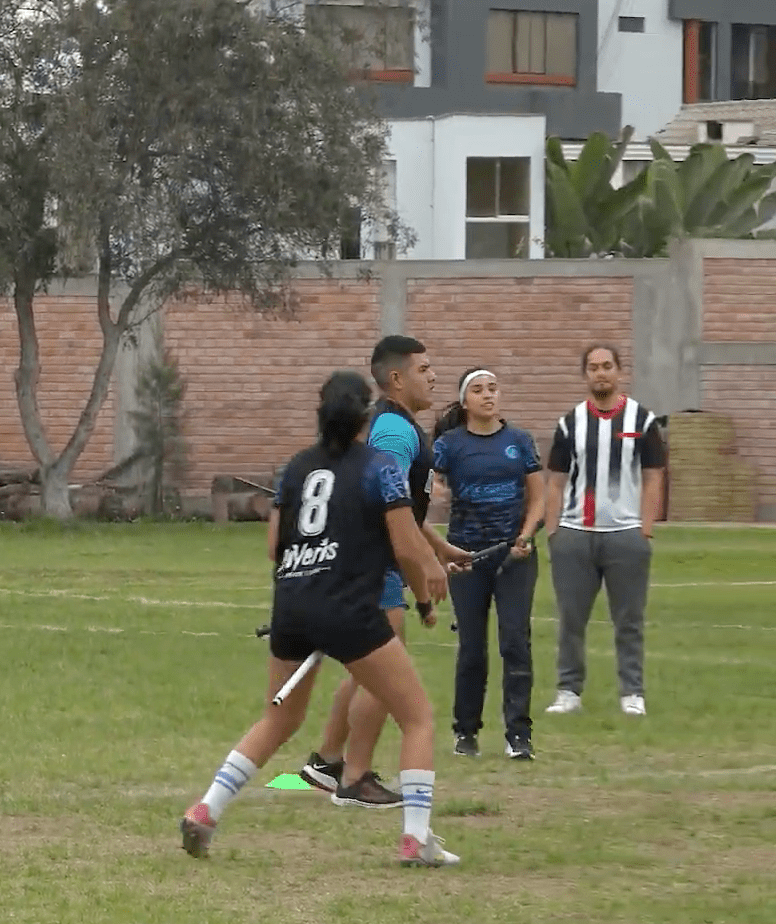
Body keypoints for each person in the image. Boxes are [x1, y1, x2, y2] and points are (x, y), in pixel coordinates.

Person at [182, 371, 459, 867]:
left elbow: (274, 548)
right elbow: (404, 545)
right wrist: (426, 584)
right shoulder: (379, 468)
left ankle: (206, 810)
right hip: (349, 608)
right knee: (416, 716)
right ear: (364, 417)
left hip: (292, 604)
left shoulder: (294, 469)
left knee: (279, 717)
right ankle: (416, 838)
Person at [296, 335, 469, 806]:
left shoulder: (398, 426)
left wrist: (439, 545)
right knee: (383, 674)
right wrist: (421, 567)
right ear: (396, 378)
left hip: (373, 563)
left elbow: (404, 508)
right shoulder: (395, 432)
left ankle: (327, 762)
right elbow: (383, 502)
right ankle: (355, 778)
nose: (433, 376)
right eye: (424, 368)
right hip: (376, 567)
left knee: (364, 670)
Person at [542, 344, 665, 717]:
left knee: (629, 619)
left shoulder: (643, 421)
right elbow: (555, 482)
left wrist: (644, 530)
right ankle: (568, 691)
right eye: (593, 367)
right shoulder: (570, 423)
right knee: (571, 619)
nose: (601, 373)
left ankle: (632, 692)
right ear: (585, 375)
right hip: (575, 533)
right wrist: (553, 532)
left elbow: (653, 477)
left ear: (619, 371)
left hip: (625, 534)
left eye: (607, 366)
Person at [431, 368, 546, 759]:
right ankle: (466, 732)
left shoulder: (519, 441)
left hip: (513, 558)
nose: (487, 396)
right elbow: (426, 489)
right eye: (478, 390)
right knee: (472, 649)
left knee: (515, 643)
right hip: (467, 559)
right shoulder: (449, 444)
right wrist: (441, 545)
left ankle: (519, 735)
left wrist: (526, 536)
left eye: (493, 389)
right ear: (465, 402)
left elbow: (538, 498)